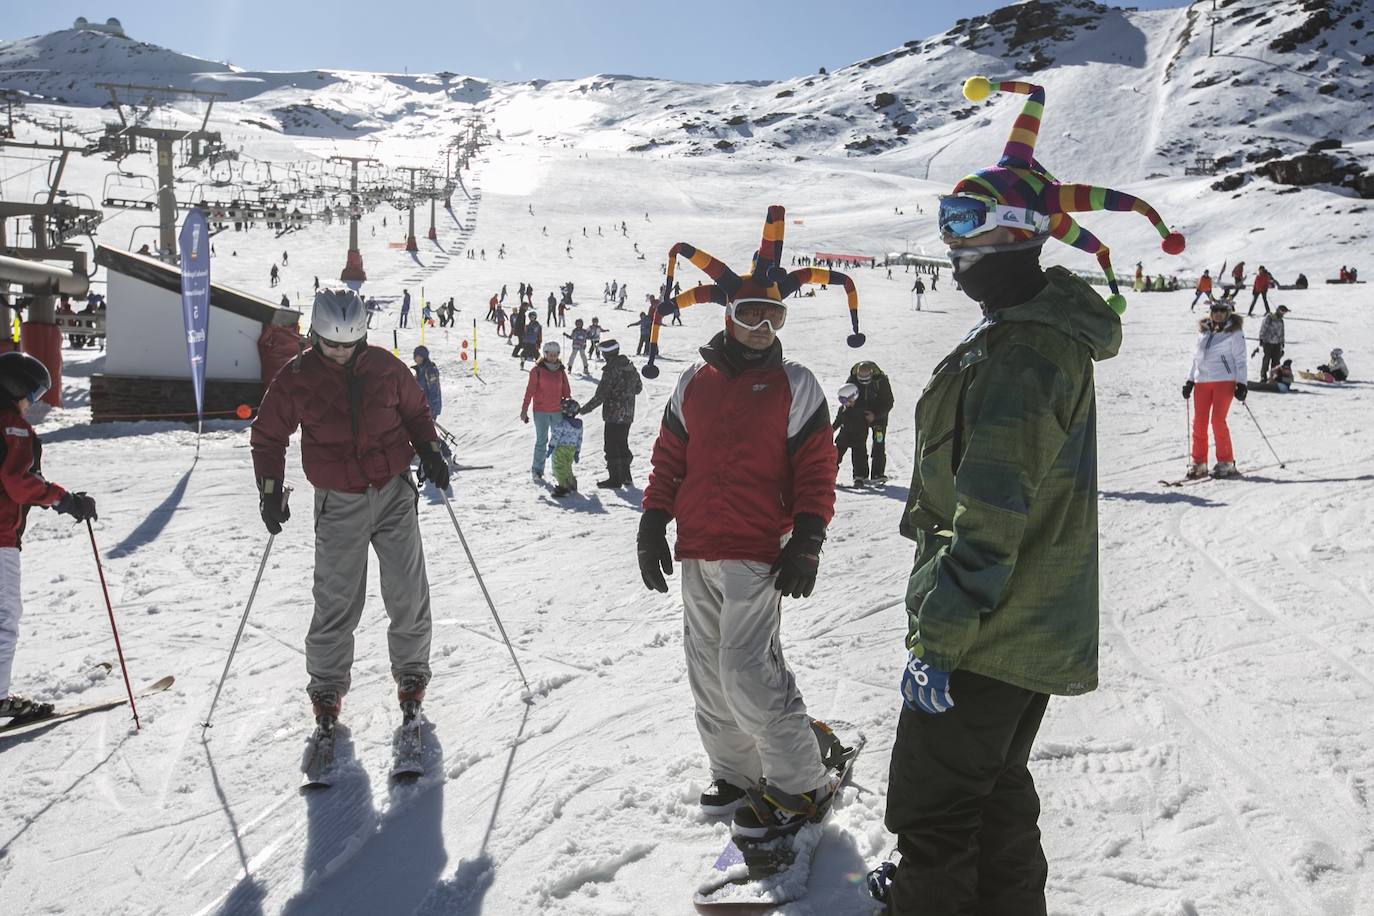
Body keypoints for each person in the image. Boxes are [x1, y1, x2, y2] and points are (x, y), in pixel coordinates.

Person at [870, 76, 1184, 915]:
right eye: (948, 225)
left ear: (1018, 233)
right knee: (997, 793)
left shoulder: (1022, 354)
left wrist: (939, 636)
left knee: (935, 811)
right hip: (1021, 627)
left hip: (987, 629)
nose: (952, 247)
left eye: (965, 226)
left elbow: (994, 509)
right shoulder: (1026, 338)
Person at [637, 205, 866, 842]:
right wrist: (654, 521)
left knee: (747, 669)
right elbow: (669, 459)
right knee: (707, 668)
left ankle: (799, 783)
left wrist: (809, 542)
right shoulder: (694, 381)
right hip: (698, 546)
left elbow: (818, 471)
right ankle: (737, 771)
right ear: (729, 317)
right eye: (750, 314)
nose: (763, 326)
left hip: (759, 548)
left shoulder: (798, 386)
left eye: (775, 316)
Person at [251, 289, 449, 729]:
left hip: (394, 491)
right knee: (336, 599)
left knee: (407, 589)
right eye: (331, 344)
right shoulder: (296, 377)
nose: (340, 353)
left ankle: (412, 674)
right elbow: (269, 436)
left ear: (361, 336)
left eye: (348, 344)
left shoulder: (385, 367)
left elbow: (416, 412)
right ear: (315, 336)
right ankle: (326, 684)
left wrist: (430, 449)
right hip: (338, 501)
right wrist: (269, 489)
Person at [0, 353, 97, 721]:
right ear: (14, 386)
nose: (33, 401)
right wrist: (63, 499)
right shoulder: (12, 425)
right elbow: (18, 483)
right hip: (0, 537)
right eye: (33, 392)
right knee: (4, 617)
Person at [1184, 301, 1247, 479]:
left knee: (1218, 421)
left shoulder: (1234, 332)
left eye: (1222, 310)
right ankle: (1199, 463)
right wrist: (1190, 380)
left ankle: (1226, 461)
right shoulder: (1204, 331)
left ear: (1228, 312)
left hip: (1224, 380)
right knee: (1199, 423)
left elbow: (1240, 359)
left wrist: (1242, 383)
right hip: (1201, 381)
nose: (1218, 313)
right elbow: (1196, 358)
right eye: (1215, 310)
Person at [578, 338, 642, 488]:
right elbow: (638, 388)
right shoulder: (630, 367)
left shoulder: (611, 370)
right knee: (622, 443)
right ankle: (626, 476)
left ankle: (615, 479)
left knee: (612, 446)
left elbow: (601, 395)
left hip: (614, 414)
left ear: (607, 354)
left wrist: (584, 409)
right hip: (628, 414)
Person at [520, 341, 571, 480]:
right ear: (545, 354)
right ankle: (537, 470)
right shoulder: (537, 370)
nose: (553, 357)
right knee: (542, 441)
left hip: (557, 411)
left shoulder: (561, 370)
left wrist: (569, 403)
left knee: (558, 441)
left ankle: (558, 469)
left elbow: (566, 391)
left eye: (555, 355)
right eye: (550, 354)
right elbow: (529, 391)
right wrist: (524, 409)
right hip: (541, 411)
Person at [846, 361, 894, 484]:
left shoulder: (881, 381)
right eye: (861, 378)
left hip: (879, 417)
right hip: (860, 417)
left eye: (866, 378)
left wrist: (875, 415)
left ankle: (878, 473)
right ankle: (860, 474)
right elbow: (847, 398)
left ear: (871, 374)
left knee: (879, 442)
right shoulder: (852, 380)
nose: (863, 380)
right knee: (858, 444)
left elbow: (888, 402)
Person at [832, 382, 868, 486]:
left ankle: (859, 478)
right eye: (840, 400)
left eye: (844, 400)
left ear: (853, 397)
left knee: (858, 458)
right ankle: (831, 476)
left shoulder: (862, 409)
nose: (843, 403)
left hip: (858, 437)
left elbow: (870, 420)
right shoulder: (842, 409)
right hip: (844, 437)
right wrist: (831, 430)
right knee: (836, 456)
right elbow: (838, 421)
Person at [548, 398, 584, 498]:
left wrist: (551, 446)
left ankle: (564, 487)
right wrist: (577, 451)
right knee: (567, 466)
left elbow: (556, 436)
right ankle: (571, 483)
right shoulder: (579, 425)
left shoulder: (562, 423)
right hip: (571, 450)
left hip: (561, 449)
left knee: (559, 467)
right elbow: (579, 439)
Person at [1257, 305, 1289, 380]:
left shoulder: (1281, 320)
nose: (1284, 313)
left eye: (1285, 312)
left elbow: (1282, 332)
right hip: (1268, 342)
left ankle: (1274, 376)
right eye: (1283, 311)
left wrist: (1282, 342)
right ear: (1278, 310)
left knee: (1276, 361)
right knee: (1266, 359)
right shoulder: (1269, 317)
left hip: (1277, 343)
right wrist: (1261, 338)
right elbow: (1263, 327)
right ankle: (1263, 375)